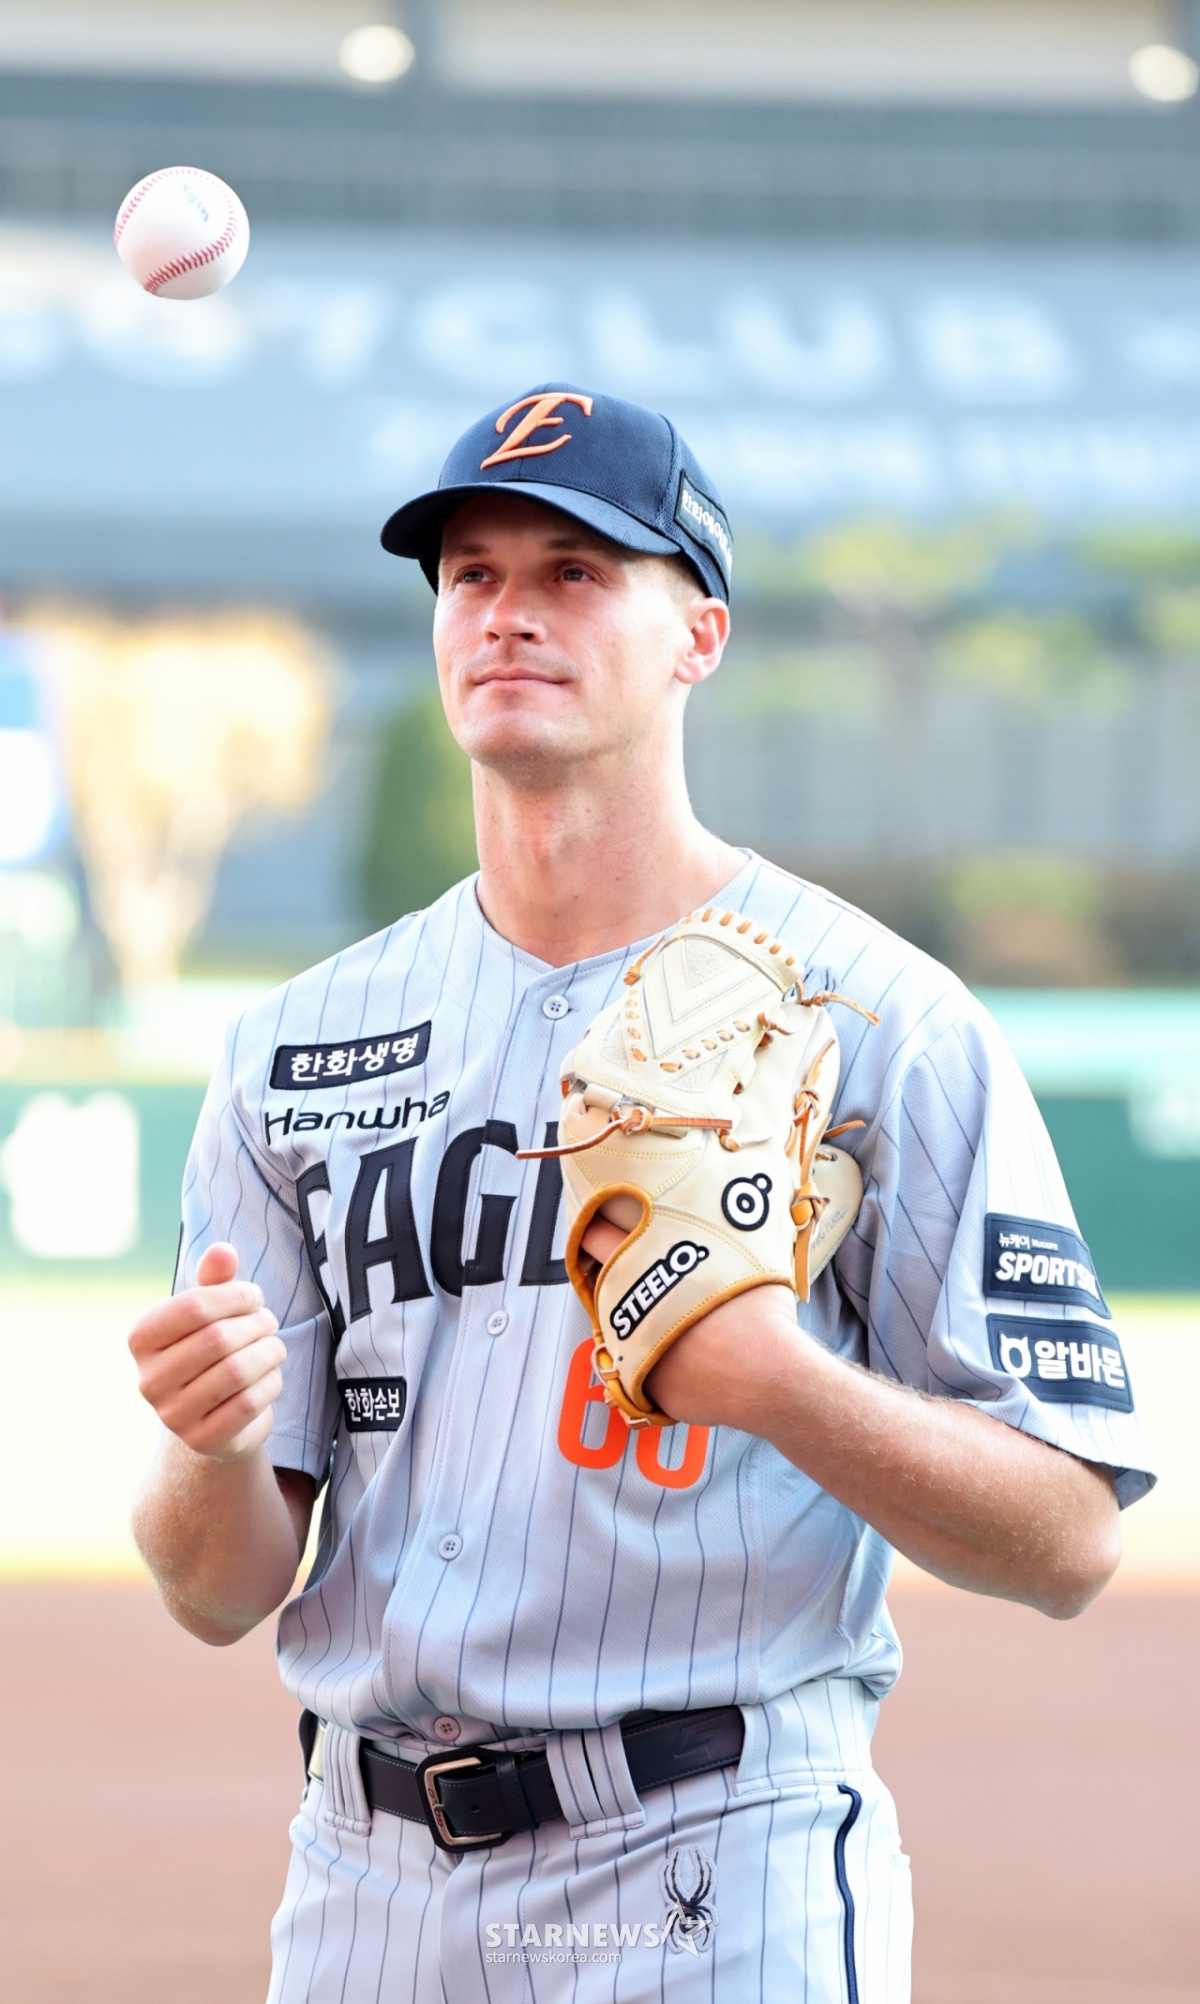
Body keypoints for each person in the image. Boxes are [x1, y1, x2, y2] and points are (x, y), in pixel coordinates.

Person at [129, 386, 1152, 2003]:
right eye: (471, 573)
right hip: (361, 1879)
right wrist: (216, 1448)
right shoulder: (295, 1048)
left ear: (702, 634)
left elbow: (1073, 1538)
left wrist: (776, 1382)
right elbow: (215, 1589)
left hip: (712, 1867)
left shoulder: (880, 1018)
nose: (510, 614)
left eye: (577, 570)